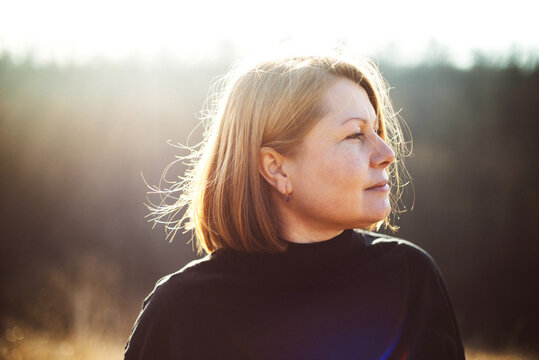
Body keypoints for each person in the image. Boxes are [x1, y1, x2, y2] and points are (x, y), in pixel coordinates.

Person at [124, 55, 465, 359]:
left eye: (376, 130)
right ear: (276, 168)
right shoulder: (180, 313)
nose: (387, 153)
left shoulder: (409, 279)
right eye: (355, 135)